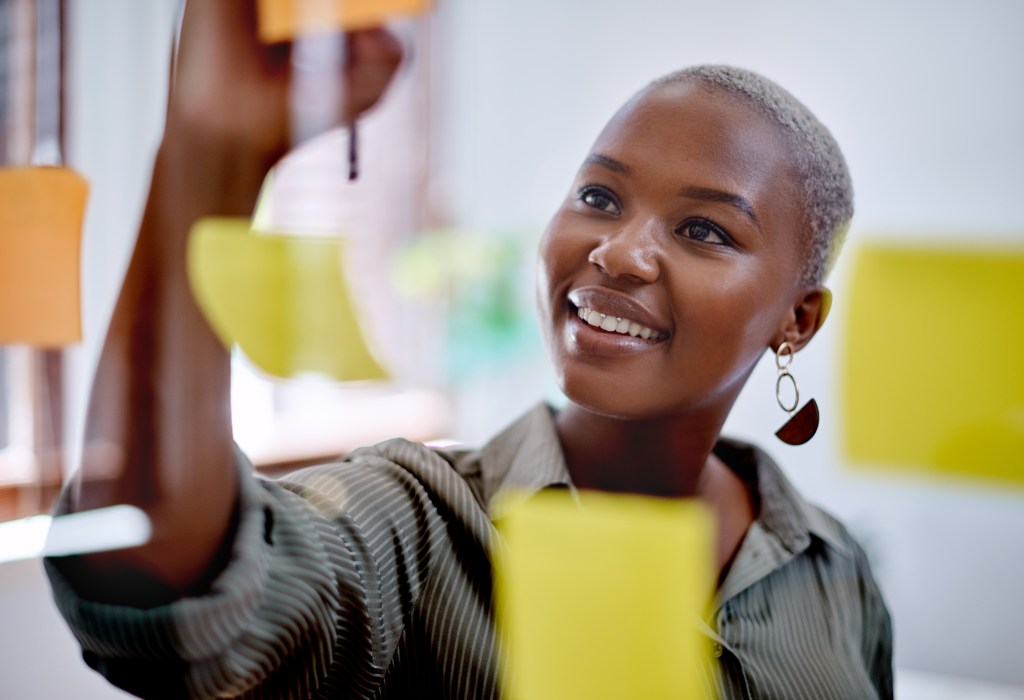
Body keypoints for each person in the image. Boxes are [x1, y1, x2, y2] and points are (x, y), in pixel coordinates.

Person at [45, 1, 893, 698]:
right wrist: (206, 154)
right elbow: (159, 576)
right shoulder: (421, 526)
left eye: (704, 229)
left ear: (798, 319)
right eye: (599, 195)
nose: (618, 252)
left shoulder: (834, 568)